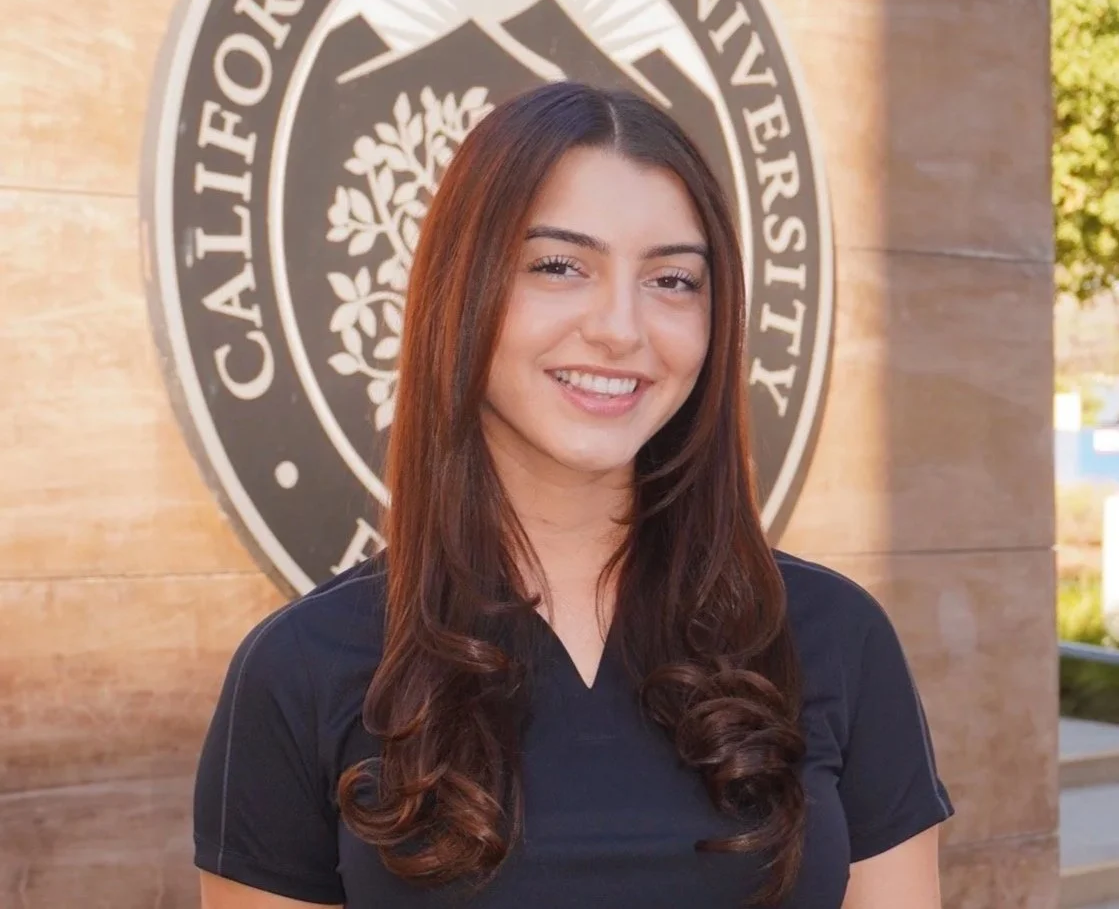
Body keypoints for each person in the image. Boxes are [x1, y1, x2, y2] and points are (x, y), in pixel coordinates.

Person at [194, 81, 954, 909]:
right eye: (559, 266)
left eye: (671, 280)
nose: (620, 327)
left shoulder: (834, 636)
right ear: (462, 291)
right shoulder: (303, 665)